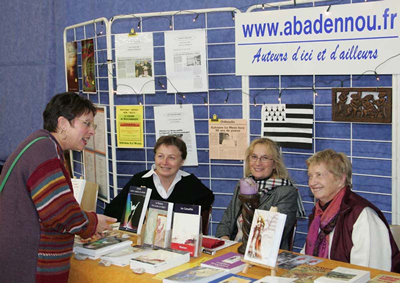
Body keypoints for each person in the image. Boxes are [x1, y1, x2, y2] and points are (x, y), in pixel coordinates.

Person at [0, 92, 116, 283]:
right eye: (86, 123)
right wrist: (92, 223)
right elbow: (60, 213)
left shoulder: (41, 145)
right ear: (62, 124)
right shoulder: (44, 151)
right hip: (30, 266)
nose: (92, 131)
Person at [304, 149, 400, 272]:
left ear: (341, 179)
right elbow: (308, 253)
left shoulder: (362, 215)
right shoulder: (318, 214)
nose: (312, 182)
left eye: (319, 175)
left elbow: (368, 272)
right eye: (310, 176)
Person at [215, 138, 304, 250]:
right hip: (235, 248)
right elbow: (225, 223)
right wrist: (226, 243)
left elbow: (274, 234)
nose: (258, 163)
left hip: (265, 255)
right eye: (254, 157)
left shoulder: (286, 192)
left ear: (275, 164)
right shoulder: (243, 185)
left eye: (265, 158)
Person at [104, 135, 214, 224]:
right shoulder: (140, 180)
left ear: (182, 161)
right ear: (155, 157)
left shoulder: (189, 182)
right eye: (160, 156)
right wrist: (141, 217)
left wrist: (181, 216)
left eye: (171, 158)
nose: (165, 162)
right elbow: (111, 211)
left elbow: (208, 198)